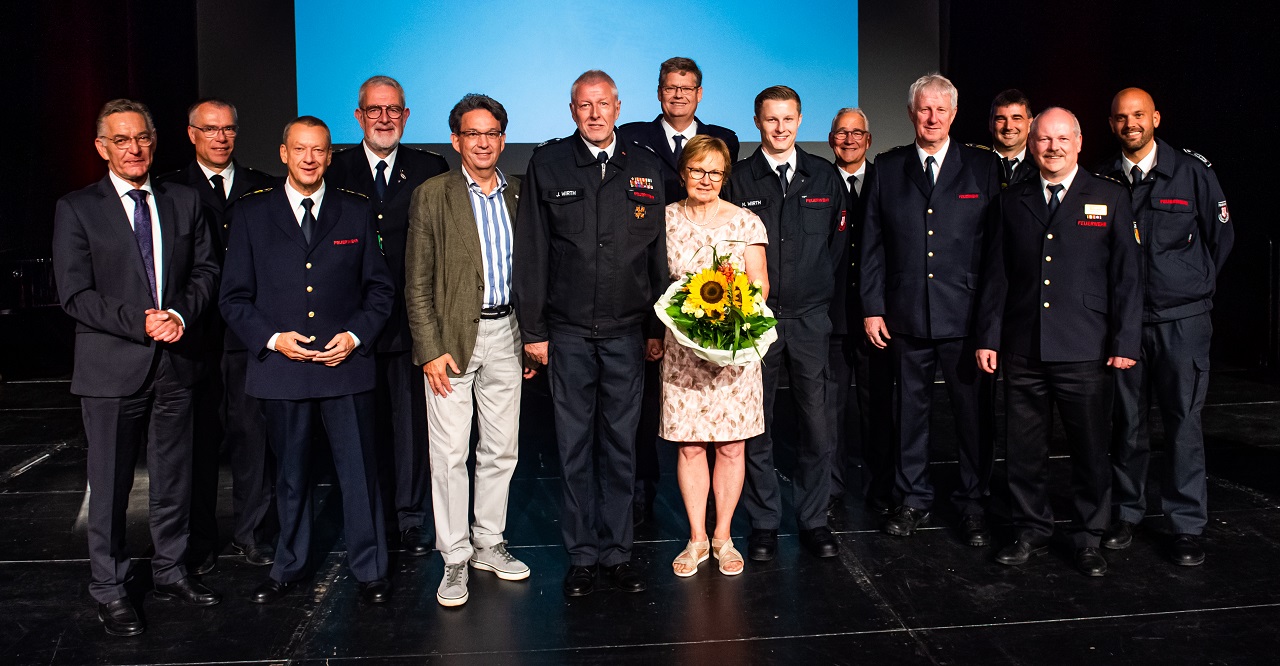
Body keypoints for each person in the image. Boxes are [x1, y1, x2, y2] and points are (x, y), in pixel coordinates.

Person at [53, 99, 222, 637]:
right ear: (102, 148)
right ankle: (110, 587)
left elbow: (206, 270)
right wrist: (142, 322)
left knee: (175, 477)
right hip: (111, 368)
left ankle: (171, 570)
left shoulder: (183, 199)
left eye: (142, 138)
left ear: (154, 141)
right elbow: (74, 293)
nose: (134, 149)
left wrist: (179, 315)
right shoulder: (77, 208)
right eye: (121, 140)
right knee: (109, 484)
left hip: (176, 362)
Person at [220, 116, 395, 605]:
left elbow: (380, 289)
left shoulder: (355, 210)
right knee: (291, 476)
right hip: (283, 369)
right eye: (300, 149)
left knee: (358, 474)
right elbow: (233, 297)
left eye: (318, 150)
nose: (310, 158)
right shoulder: (252, 213)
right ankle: (289, 566)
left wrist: (355, 336)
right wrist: (273, 339)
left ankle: (371, 569)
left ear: (329, 156)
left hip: (346, 367)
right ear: (284, 154)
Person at [512, 70, 667, 597]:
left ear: (619, 108)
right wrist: (533, 330)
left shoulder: (646, 166)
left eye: (604, 104)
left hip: (627, 333)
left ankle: (618, 553)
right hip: (568, 333)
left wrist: (655, 328)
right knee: (573, 447)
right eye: (585, 105)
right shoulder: (549, 163)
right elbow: (531, 252)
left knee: (622, 447)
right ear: (572, 110)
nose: (595, 114)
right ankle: (581, 555)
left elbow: (657, 256)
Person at [976, 107, 1141, 576]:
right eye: (1045, 139)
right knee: (1024, 450)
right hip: (1023, 346)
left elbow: (1128, 277)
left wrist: (1125, 341)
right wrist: (989, 337)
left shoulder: (1110, 196)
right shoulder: (1012, 200)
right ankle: (1031, 530)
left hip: (1086, 347)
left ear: (1079, 142)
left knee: (1090, 449)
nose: (1054, 148)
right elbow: (997, 276)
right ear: (1032, 144)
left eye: (1063, 138)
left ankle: (1088, 536)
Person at [860, 73, 1000, 546]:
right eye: (924, 109)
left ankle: (973, 503)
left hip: (965, 318)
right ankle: (913, 498)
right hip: (905, 316)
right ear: (910, 113)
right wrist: (873, 307)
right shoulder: (888, 166)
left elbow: (994, 252)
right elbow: (873, 244)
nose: (933, 117)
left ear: (954, 114)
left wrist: (989, 325)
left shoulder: (982, 166)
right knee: (909, 414)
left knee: (972, 417)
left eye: (941, 109)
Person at [1098, 88, 1235, 566]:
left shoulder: (1192, 172)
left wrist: (1190, 285)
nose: (1130, 124)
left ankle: (1185, 525)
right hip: (1126, 325)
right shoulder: (1102, 178)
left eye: (1138, 115)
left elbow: (1221, 238)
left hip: (1183, 322)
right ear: (1111, 124)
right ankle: (1127, 513)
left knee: (1183, 424)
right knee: (1127, 424)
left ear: (1155, 117)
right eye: (1121, 117)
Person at [405, 94, 532, 607]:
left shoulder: (519, 192)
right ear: (456, 140)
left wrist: (532, 337)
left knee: (501, 449)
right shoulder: (433, 194)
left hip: (508, 334)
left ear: (503, 138)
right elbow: (417, 282)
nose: (483, 143)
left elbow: (534, 272)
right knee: (450, 453)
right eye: (472, 134)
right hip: (452, 341)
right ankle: (454, 555)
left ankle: (488, 543)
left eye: (492, 133)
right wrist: (429, 349)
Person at [326, 75, 449, 558]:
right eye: (374, 110)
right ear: (358, 117)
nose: (384, 118)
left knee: (411, 428)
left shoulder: (430, 168)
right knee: (360, 429)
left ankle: (410, 517)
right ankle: (368, 515)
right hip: (351, 325)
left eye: (393, 109)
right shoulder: (336, 168)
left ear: (406, 115)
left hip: (409, 323)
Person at [723, 85, 846, 561]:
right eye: (771, 119)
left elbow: (836, 248)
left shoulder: (823, 175)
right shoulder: (739, 179)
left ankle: (814, 520)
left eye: (788, 119)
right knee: (757, 425)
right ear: (757, 121)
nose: (780, 128)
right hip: (758, 321)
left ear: (800, 120)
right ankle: (764, 523)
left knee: (817, 425)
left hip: (811, 320)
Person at [617, 56, 741, 526]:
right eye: (671, 87)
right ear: (659, 92)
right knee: (647, 407)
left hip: (709, 292)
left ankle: (713, 510)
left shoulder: (723, 139)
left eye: (687, 88)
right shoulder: (632, 137)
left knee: (710, 416)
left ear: (699, 94)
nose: (678, 95)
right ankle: (642, 491)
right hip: (650, 283)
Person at [159, 98, 277, 573]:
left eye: (228, 129)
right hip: (194, 337)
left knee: (253, 439)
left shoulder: (264, 186)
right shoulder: (168, 189)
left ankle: (253, 533)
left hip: (249, 337)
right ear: (192, 134)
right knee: (199, 442)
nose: (221, 137)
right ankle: (200, 539)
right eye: (210, 129)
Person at [662, 135, 768, 577]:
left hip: (734, 352)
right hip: (682, 354)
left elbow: (759, 285)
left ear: (725, 177)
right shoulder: (665, 219)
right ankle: (697, 539)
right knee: (690, 447)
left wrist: (728, 319)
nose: (705, 179)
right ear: (683, 172)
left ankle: (723, 536)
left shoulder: (746, 222)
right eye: (697, 170)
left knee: (730, 446)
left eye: (715, 172)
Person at [826, 107, 895, 517]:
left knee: (878, 408)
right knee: (830, 412)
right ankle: (832, 490)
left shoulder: (887, 182)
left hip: (877, 317)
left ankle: (880, 488)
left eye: (857, 133)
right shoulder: (818, 182)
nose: (849, 140)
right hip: (832, 317)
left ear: (869, 140)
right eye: (841, 132)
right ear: (830, 139)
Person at [989, 89, 1036, 188]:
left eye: (1016, 118)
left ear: (1030, 124)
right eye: (1001, 119)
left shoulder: (1041, 167)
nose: (1008, 127)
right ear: (990, 124)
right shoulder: (973, 164)